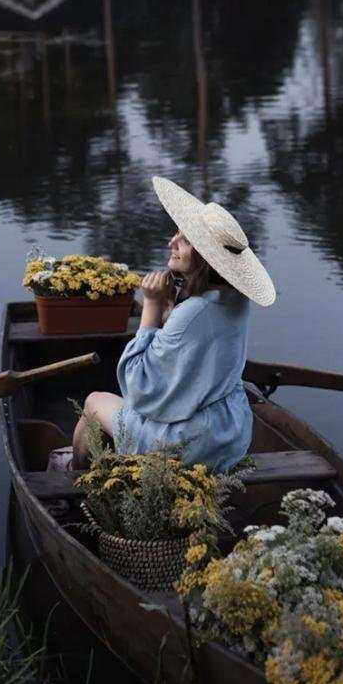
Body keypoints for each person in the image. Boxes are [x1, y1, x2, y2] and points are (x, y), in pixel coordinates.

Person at [71, 176, 276, 472]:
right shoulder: (235, 299)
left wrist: (152, 306)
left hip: (189, 444)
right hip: (229, 435)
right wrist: (171, 311)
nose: (172, 243)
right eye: (177, 234)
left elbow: (137, 390)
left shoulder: (194, 311)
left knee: (94, 402)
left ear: (205, 257)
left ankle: (75, 479)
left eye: (185, 240)